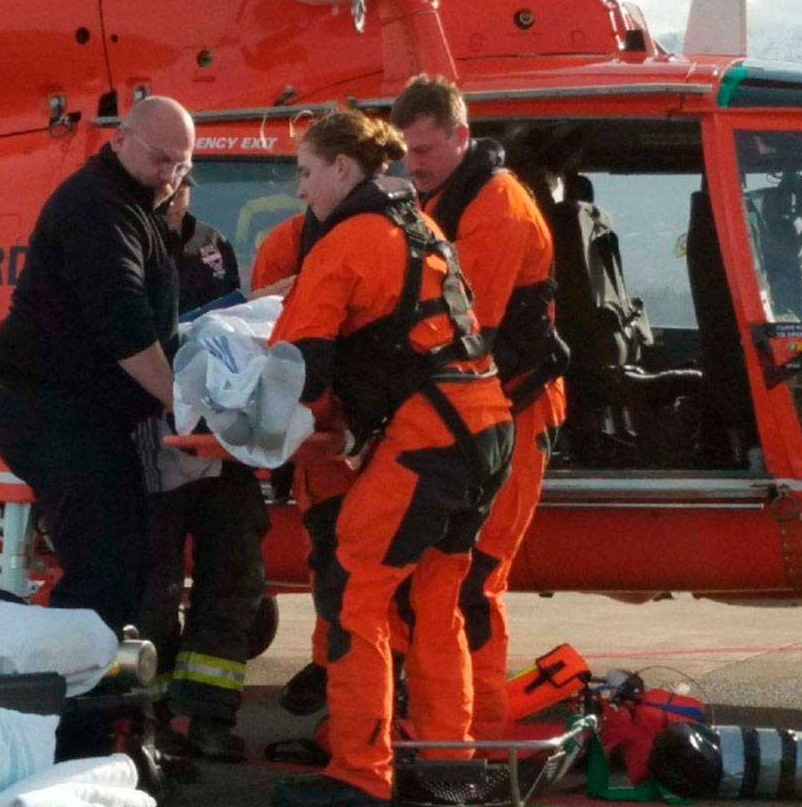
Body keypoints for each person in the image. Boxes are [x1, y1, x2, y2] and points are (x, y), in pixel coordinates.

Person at [268, 109, 513, 807]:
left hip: (430, 439)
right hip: (486, 427)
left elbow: (297, 371)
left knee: (354, 592)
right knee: (437, 597)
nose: (300, 190)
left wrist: (258, 425)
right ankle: (447, 762)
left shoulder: (343, 244)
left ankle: (360, 773)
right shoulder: (424, 228)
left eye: (306, 172)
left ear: (342, 169)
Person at [390, 75, 568, 740]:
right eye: (406, 152)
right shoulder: (441, 194)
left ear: (461, 136)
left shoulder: (496, 208)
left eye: (426, 150)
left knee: (474, 575)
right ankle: (435, 716)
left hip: (512, 412)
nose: (415, 163)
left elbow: (469, 332)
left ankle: (478, 729)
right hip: (471, 411)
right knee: (435, 574)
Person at [0, 96, 192, 634]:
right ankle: (74, 704)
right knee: (104, 566)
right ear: (119, 140)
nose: (170, 174)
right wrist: (185, 408)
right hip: (53, 410)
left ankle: (93, 691)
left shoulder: (136, 205)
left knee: (123, 555)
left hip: (86, 415)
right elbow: (124, 326)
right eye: (161, 158)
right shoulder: (98, 208)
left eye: (183, 164)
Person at [134, 176, 269, 761]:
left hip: (218, 439)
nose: (176, 193)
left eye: (183, 182)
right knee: (153, 585)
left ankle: (210, 716)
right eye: (166, 183)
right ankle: (148, 718)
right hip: (152, 437)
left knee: (236, 573)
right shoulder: (121, 244)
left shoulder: (211, 244)